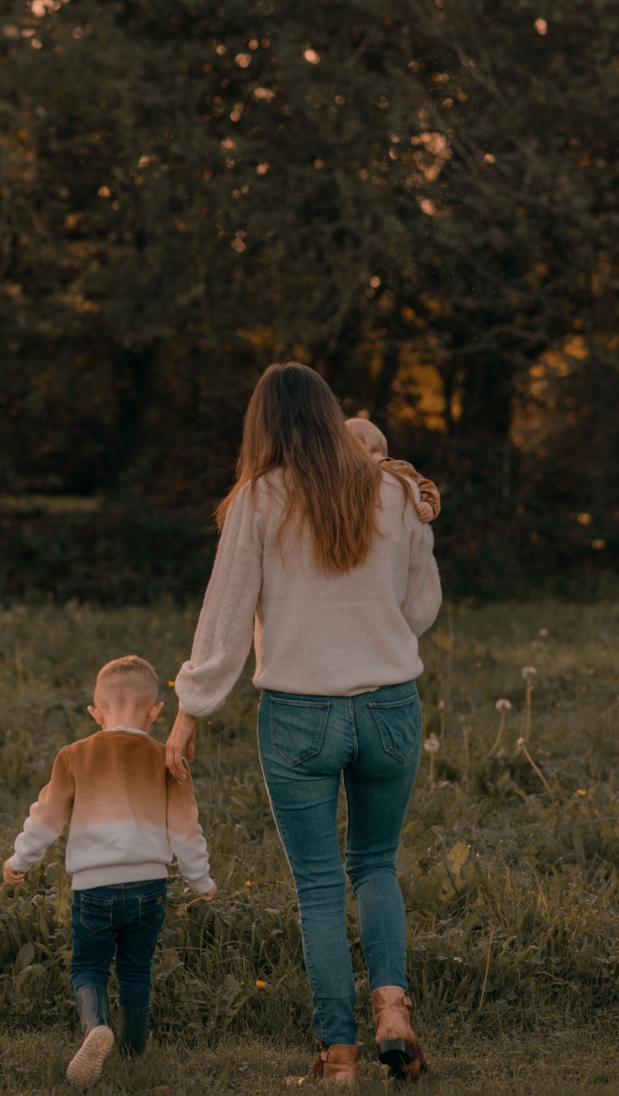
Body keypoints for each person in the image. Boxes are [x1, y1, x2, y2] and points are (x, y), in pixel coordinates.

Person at [166, 363, 441, 1087]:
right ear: (329, 413)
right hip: (390, 707)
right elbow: (419, 612)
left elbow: (225, 616)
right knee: (376, 865)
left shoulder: (258, 499)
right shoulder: (397, 490)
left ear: (265, 426)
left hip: (299, 715)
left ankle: (338, 1058)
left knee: (319, 887)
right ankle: (392, 1009)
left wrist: (190, 711)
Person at [3, 654, 217, 1089]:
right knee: (137, 969)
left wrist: (19, 860)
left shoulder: (73, 756)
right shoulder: (167, 758)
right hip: (149, 886)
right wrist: (201, 880)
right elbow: (186, 829)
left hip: (93, 888)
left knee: (88, 967)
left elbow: (46, 818)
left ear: (95, 713)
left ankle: (95, 1025)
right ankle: (134, 1054)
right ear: (156, 711)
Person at [345, 416, 441, 525]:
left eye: (346, 446)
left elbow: (425, 485)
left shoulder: (394, 467)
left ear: (361, 445)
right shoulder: (356, 475)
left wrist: (429, 505)